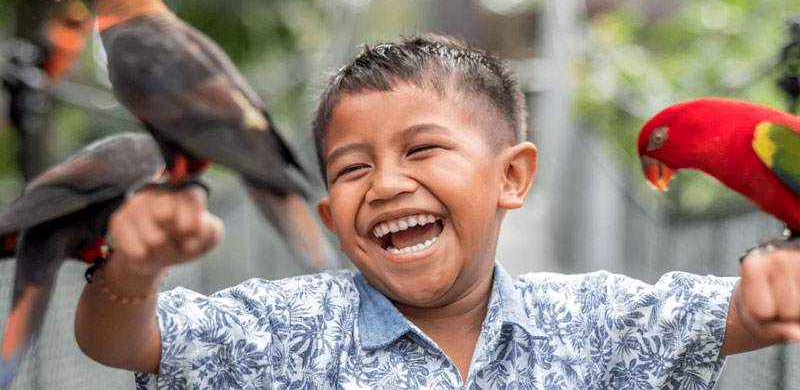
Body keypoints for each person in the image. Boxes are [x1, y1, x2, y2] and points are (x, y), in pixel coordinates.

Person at [74, 34, 800, 389]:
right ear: (330, 218)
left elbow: (749, 309)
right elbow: (122, 343)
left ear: (512, 177)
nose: (386, 184)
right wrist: (131, 271)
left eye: (423, 150)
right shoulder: (278, 330)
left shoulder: (602, 324)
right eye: (352, 168)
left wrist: (776, 277)